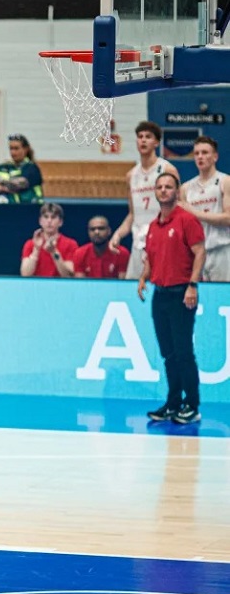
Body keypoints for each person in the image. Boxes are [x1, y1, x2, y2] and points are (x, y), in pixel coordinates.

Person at [138, 173, 205, 424]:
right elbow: (151, 257)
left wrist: (192, 285)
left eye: (168, 187)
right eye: (160, 187)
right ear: (155, 192)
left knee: (183, 352)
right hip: (160, 294)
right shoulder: (153, 226)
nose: (164, 190)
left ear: (177, 191)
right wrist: (144, 277)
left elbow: (200, 252)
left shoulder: (187, 220)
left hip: (181, 294)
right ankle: (173, 402)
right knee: (168, 353)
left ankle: (192, 405)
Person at [110, 121, 180, 279]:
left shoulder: (167, 169)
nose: (143, 140)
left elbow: (179, 207)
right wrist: (118, 234)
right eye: (140, 137)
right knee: (134, 287)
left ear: (156, 142)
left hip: (162, 242)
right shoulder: (131, 175)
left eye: (148, 137)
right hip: (138, 243)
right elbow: (132, 215)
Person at [180, 136, 230, 282]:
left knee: (223, 294)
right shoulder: (186, 188)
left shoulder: (225, 181)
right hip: (196, 254)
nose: (200, 157)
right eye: (196, 153)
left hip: (221, 250)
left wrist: (193, 212)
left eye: (205, 152)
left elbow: (228, 218)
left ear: (215, 156)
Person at [20, 203, 79, 278]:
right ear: (40, 221)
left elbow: (68, 276)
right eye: (46, 217)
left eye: (53, 217)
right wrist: (36, 249)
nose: (49, 221)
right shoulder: (30, 244)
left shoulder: (71, 244)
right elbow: (25, 274)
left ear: (60, 222)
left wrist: (54, 252)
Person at [0, 134, 44, 204]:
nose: (13, 152)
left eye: (16, 148)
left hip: (23, 208)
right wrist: (5, 187)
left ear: (26, 149)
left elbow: (19, 184)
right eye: (11, 148)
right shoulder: (1, 166)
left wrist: (0, 184)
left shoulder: (32, 168)